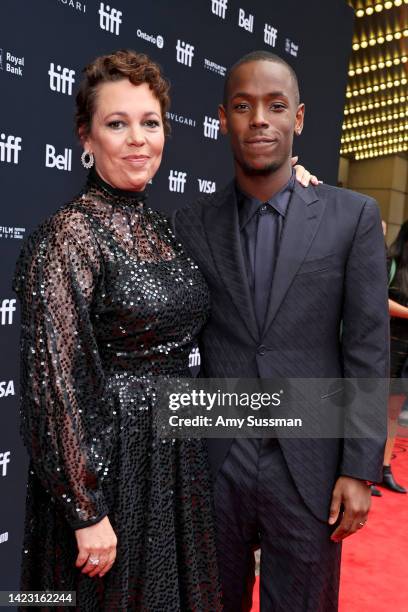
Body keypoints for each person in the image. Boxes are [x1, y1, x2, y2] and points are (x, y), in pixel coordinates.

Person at [13, 49, 315, 611]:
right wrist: (86, 512)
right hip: (110, 472)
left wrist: (290, 184)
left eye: (149, 123)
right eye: (116, 123)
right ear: (85, 136)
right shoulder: (66, 238)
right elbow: (52, 388)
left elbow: (238, 231)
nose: (137, 139)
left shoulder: (165, 228)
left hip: (175, 466)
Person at [173, 50, 389, 611]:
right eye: (243, 106)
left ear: (298, 118)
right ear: (223, 119)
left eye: (275, 105)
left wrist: (360, 470)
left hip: (310, 465)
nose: (259, 119)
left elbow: (366, 349)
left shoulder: (353, 216)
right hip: (215, 460)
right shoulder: (190, 222)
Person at [381, 221, 408, 493]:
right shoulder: (391, 261)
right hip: (387, 343)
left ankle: (384, 468)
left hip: (406, 350)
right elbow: (378, 299)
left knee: (393, 411)